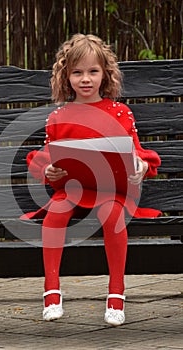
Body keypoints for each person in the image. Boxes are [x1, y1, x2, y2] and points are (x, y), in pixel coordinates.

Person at [20, 33, 161, 326]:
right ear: (66, 76)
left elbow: (136, 153)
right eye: (77, 72)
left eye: (93, 71)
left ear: (105, 74)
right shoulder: (60, 116)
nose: (85, 79)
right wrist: (48, 170)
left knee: (113, 217)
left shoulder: (120, 112)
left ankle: (116, 297)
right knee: (54, 216)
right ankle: (51, 295)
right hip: (72, 189)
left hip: (112, 191)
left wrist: (140, 166)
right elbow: (47, 156)